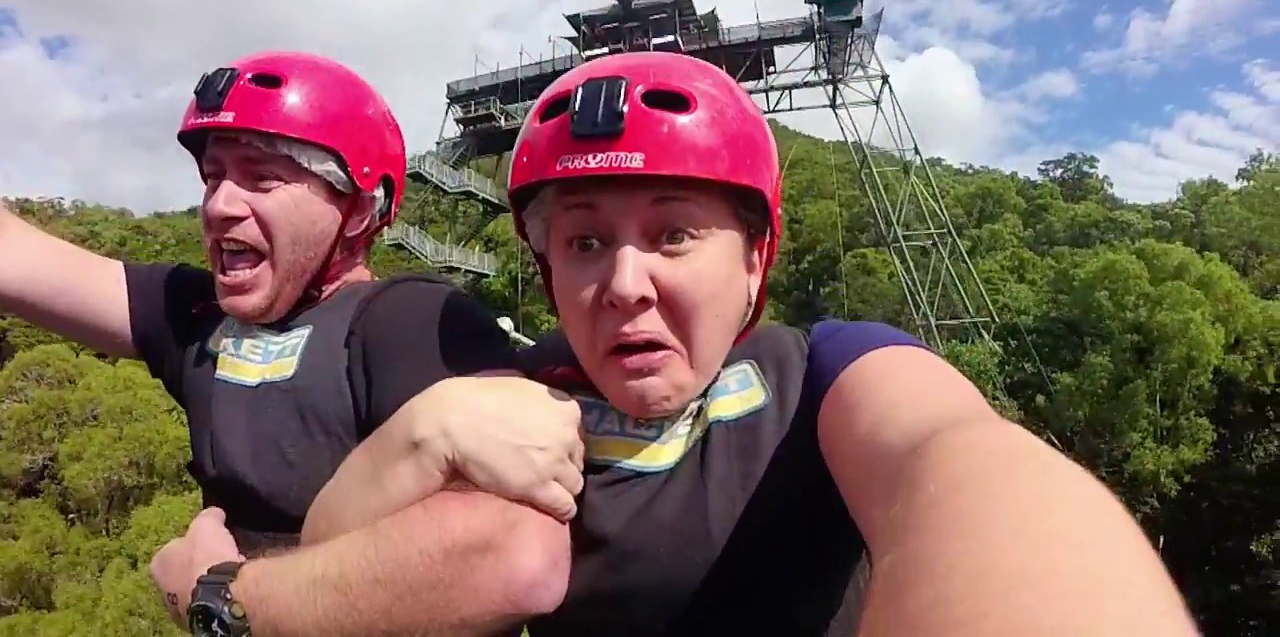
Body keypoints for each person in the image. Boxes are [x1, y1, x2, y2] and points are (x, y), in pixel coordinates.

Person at [305, 51, 1201, 636]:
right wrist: (424, 432)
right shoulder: (506, 401)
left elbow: (963, 463)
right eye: (584, 241)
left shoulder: (825, 378)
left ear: (754, 259)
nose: (624, 283)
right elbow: (327, 579)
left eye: (673, 234)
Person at [0, 51, 583, 631]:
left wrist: (223, 601)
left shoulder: (412, 321)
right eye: (214, 177)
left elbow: (516, 558)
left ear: (360, 210)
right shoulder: (196, 316)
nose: (219, 205)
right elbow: (16, 258)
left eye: (262, 177)